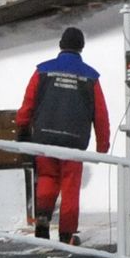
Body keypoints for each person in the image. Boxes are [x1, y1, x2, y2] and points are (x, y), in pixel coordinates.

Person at [14, 27, 111, 246]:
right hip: (73, 141)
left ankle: (42, 221)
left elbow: (28, 102)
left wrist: (22, 128)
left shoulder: (42, 71)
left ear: (60, 45)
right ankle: (67, 235)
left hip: (44, 137)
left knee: (47, 178)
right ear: (81, 47)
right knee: (70, 185)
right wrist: (102, 145)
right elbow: (100, 113)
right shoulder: (90, 76)